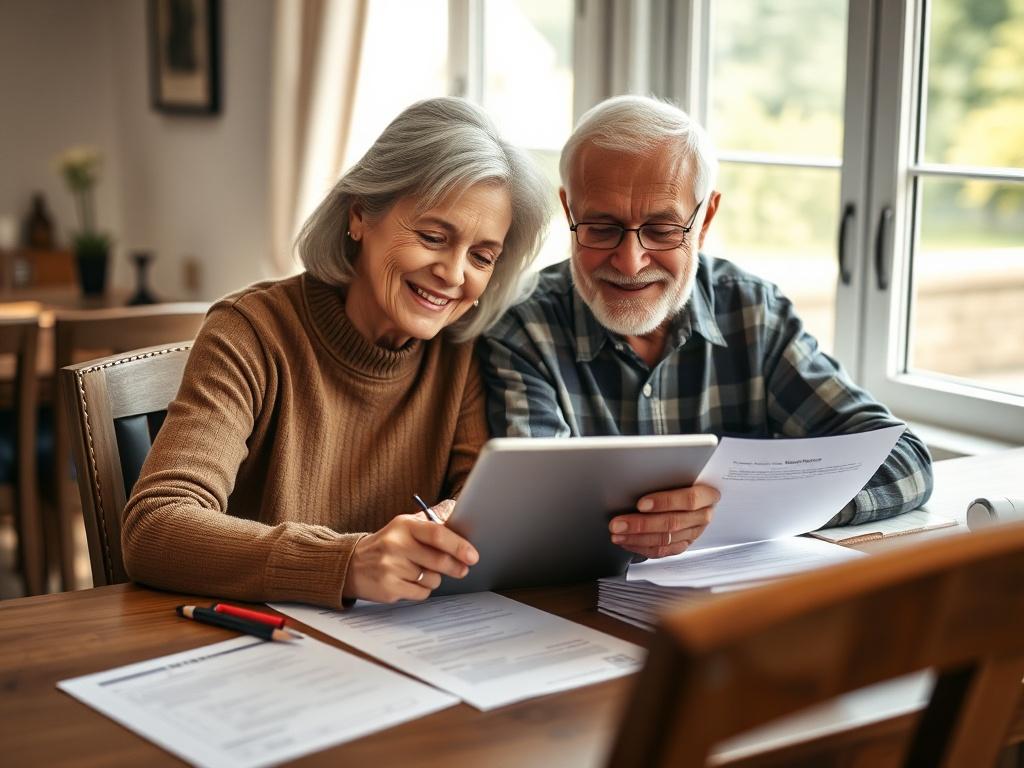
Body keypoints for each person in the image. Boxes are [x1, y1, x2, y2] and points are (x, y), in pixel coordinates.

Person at [122, 97, 550, 607]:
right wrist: (346, 562)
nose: (455, 275)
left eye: (482, 257)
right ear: (359, 215)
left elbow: (475, 495)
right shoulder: (251, 332)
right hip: (257, 642)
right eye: (434, 237)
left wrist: (460, 515)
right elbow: (155, 526)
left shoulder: (460, 351)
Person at [481, 95, 933, 561]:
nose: (630, 261)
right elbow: (531, 518)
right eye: (600, 227)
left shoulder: (753, 313)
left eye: (662, 229)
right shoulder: (523, 327)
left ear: (706, 219)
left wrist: (735, 508)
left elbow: (905, 460)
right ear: (569, 211)